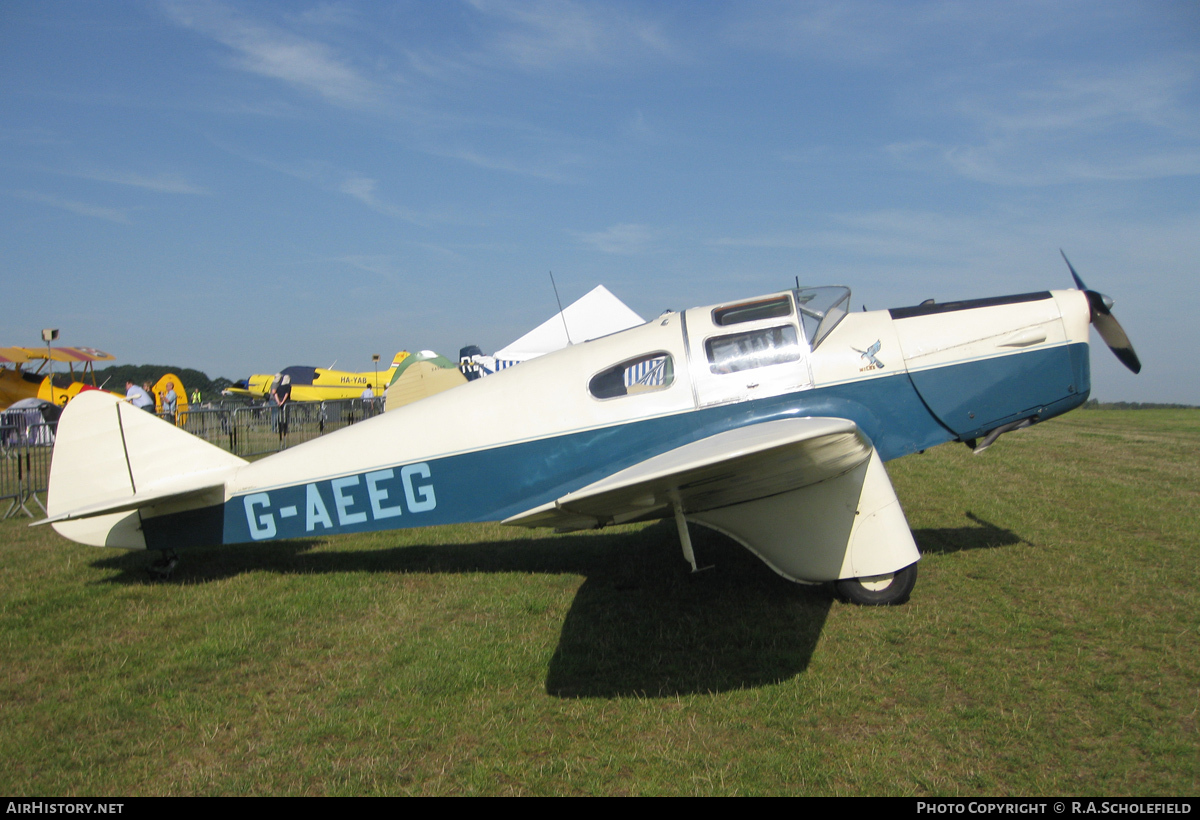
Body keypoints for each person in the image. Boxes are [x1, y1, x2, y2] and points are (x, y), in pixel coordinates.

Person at [272, 374, 292, 446]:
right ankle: (285, 430)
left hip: (279, 402)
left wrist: (278, 402)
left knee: (280, 418)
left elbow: (275, 394)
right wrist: (283, 401)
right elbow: (287, 394)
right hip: (286, 403)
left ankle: (280, 430)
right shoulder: (288, 386)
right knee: (286, 417)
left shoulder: (279, 386)